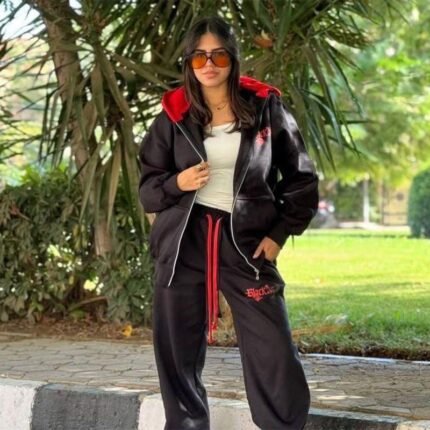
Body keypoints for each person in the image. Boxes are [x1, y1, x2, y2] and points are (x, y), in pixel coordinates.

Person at [138, 15, 319, 430]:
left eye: (218, 55)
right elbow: (148, 189)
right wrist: (179, 183)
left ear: (232, 59)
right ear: (188, 62)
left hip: (245, 241)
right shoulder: (173, 114)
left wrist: (279, 234)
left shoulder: (265, 106)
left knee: (273, 347)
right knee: (176, 350)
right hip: (183, 243)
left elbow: (301, 178)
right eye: (199, 56)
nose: (208, 64)